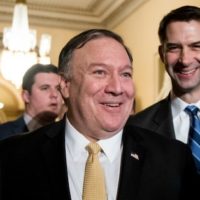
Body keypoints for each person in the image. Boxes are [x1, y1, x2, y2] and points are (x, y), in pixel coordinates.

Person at [0, 29, 198, 200]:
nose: (117, 88)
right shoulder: (12, 157)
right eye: (100, 72)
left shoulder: (173, 159)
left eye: (125, 74)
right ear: (65, 86)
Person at [128, 5, 200, 174]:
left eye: (196, 46)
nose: (185, 59)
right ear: (162, 54)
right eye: (174, 48)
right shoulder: (136, 128)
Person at [0, 63, 63, 140]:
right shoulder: (3, 134)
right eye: (45, 88)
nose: (54, 94)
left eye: (58, 89)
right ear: (26, 96)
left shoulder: (67, 136)